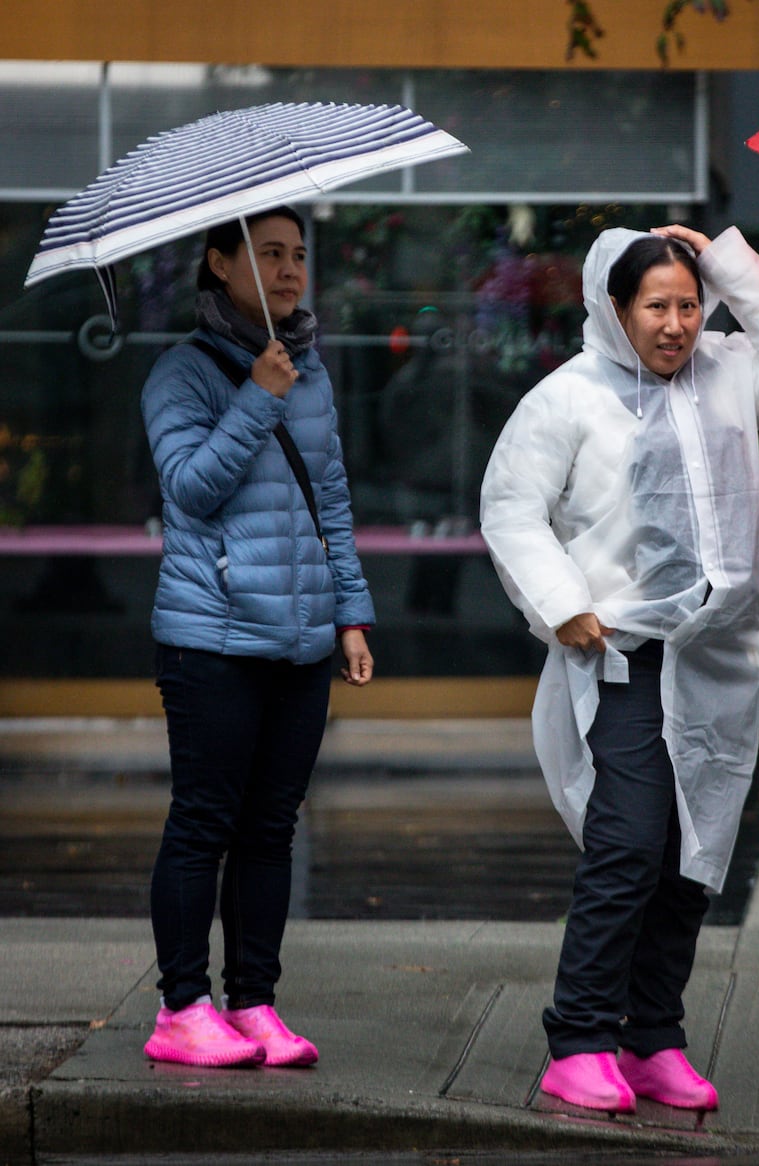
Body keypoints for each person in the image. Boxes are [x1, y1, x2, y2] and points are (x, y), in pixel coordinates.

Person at [481, 223, 759, 1113]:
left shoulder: (726, 375)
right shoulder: (569, 397)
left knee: (692, 852)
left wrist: (724, 259)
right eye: (655, 306)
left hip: (717, 658)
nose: (676, 325)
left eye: (688, 305)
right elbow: (512, 508)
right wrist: (563, 604)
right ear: (616, 307)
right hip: (620, 656)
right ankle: (579, 1041)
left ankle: (652, 1038)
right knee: (630, 843)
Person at [140, 206, 375, 1068]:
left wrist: (351, 614)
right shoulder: (180, 373)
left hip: (302, 638)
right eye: (268, 253)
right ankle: (181, 1008)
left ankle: (254, 1003)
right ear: (219, 263)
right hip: (212, 638)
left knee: (272, 827)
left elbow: (333, 503)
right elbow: (191, 490)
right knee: (204, 822)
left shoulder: (308, 369)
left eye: (298, 255)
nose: (288, 270)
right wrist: (257, 396)